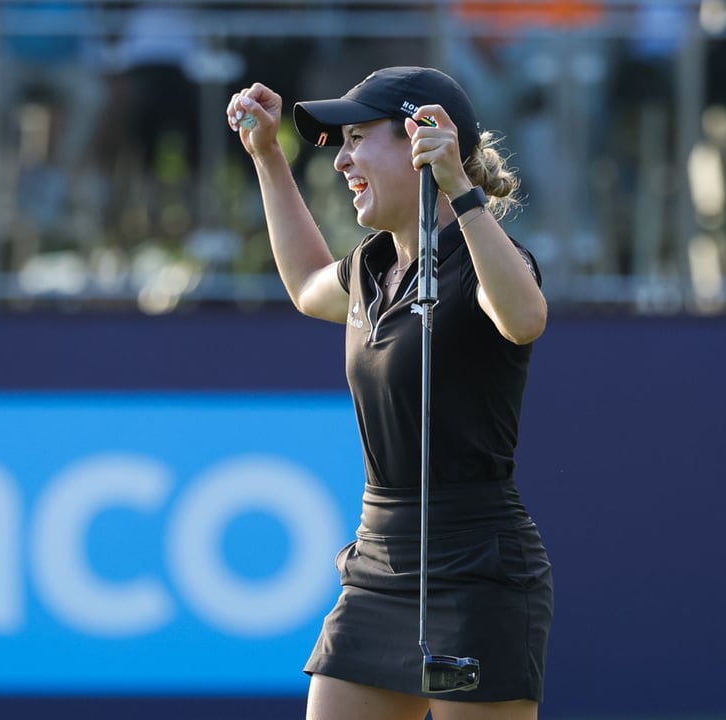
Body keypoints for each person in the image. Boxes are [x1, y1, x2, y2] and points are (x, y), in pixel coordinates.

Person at [227, 67, 552, 719]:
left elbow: (524, 317)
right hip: (377, 562)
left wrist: (458, 185)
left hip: (478, 570)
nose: (341, 159)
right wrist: (267, 156)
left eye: (356, 138)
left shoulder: (483, 253)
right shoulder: (371, 265)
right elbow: (305, 284)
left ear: (417, 141)